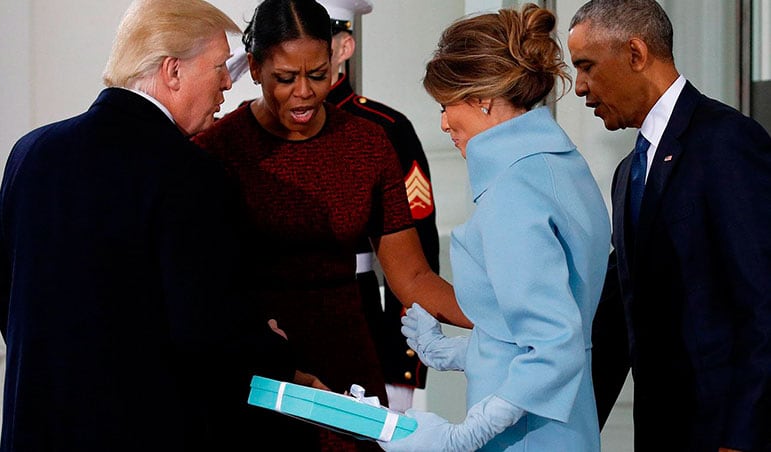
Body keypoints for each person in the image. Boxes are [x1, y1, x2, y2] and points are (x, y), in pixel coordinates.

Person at [0, 1, 322, 450]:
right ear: (173, 71)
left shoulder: (30, 153)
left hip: (36, 428)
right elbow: (204, 329)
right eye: (220, 66)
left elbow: (5, 298)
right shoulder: (190, 172)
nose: (228, 81)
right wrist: (272, 348)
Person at [192, 0, 469, 449]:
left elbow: (413, 277)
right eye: (285, 78)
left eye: (318, 74)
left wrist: (497, 319)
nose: (304, 92)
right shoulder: (216, 151)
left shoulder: (368, 142)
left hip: (348, 364)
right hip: (256, 365)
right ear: (256, 69)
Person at [378, 4, 611, 451]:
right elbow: (542, 333)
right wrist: (456, 352)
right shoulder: (562, 165)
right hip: (565, 427)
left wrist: (462, 437)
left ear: (481, 98)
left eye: (447, 104)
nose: (443, 122)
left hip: (526, 437)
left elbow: (552, 346)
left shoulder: (513, 191)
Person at [567, 0, 771, 451]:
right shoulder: (627, 174)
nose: (580, 87)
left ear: (636, 54)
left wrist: (741, 439)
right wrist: (571, 435)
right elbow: (619, 321)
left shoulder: (727, 142)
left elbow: (764, 305)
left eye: (586, 67)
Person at [321, 0, 440, 412]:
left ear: (344, 46)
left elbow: (417, 258)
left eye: (321, 39)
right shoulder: (252, 128)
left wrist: (402, 369)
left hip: (361, 314)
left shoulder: (385, 129)